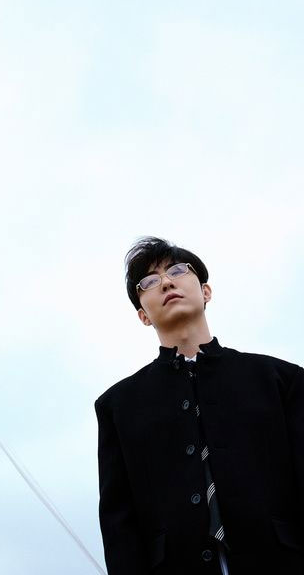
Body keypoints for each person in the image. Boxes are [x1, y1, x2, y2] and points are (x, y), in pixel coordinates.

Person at [94, 235, 304, 574]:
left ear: (206, 291)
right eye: (149, 281)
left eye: (177, 270)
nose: (166, 282)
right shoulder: (117, 406)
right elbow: (119, 522)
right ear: (143, 316)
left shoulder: (281, 379)